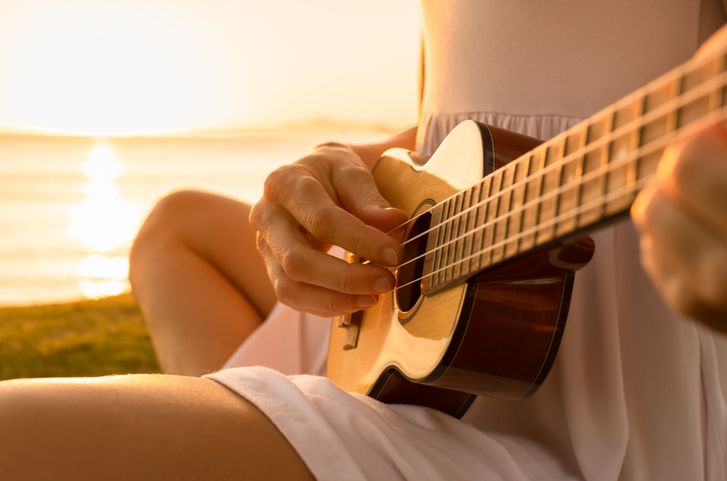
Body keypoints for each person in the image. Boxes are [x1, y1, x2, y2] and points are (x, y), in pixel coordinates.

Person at [2, 1, 727, 479]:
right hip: (426, 294)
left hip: (592, 393)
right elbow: (450, 121)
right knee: (175, 229)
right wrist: (334, 171)